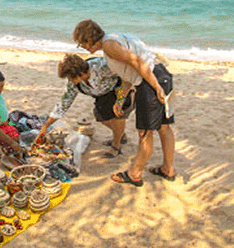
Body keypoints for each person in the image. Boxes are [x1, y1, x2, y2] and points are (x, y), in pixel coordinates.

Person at [73, 20, 179, 185]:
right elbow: (129, 74)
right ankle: (168, 169)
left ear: (89, 39)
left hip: (150, 80)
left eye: (82, 44)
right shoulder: (115, 39)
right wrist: (120, 99)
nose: (84, 48)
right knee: (164, 128)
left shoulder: (109, 46)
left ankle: (135, 174)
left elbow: (137, 62)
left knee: (145, 132)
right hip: (160, 74)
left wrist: (156, 87)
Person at [34, 55, 131, 155]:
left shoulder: (103, 66)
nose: (70, 81)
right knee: (103, 119)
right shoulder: (74, 84)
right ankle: (120, 135)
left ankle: (116, 145)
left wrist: (120, 100)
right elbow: (63, 104)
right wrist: (45, 126)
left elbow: (128, 71)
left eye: (70, 78)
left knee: (118, 117)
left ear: (80, 74)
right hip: (102, 94)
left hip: (120, 89)